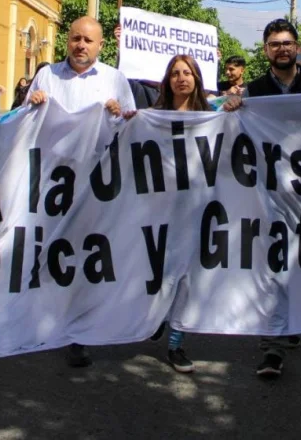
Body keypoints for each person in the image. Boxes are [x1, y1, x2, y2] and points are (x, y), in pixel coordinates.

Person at [26, 16, 135, 369]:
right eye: (76, 39)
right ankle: (44, 322)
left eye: (89, 40)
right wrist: (34, 103)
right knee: (48, 250)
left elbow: (132, 126)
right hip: (51, 183)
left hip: (93, 184)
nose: (81, 46)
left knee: (84, 256)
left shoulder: (114, 79)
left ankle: (77, 333)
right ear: (67, 41)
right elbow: (25, 122)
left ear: (101, 46)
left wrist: (119, 114)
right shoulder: (46, 76)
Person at [225, 18, 301, 378]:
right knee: (271, 263)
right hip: (264, 192)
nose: (281, 48)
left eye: (287, 42)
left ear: (296, 47)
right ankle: (271, 346)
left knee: (297, 263)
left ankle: (289, 320)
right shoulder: (252, 92)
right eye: (274, 43)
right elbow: (230, 131)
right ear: (265, 50)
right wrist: (231, 110)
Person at [126, 55, 216, 373]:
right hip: (157, 209)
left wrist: (234, 109)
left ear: (197, 78)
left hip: (197, 210)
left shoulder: (212, 116)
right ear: (167, 80)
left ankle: (176, 343)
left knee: (188, 278)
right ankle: (157, 316)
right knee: (157, 270)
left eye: (187, 72)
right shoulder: (153, 116)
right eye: (175, 73)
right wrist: (122, 118)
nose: (181, 78)